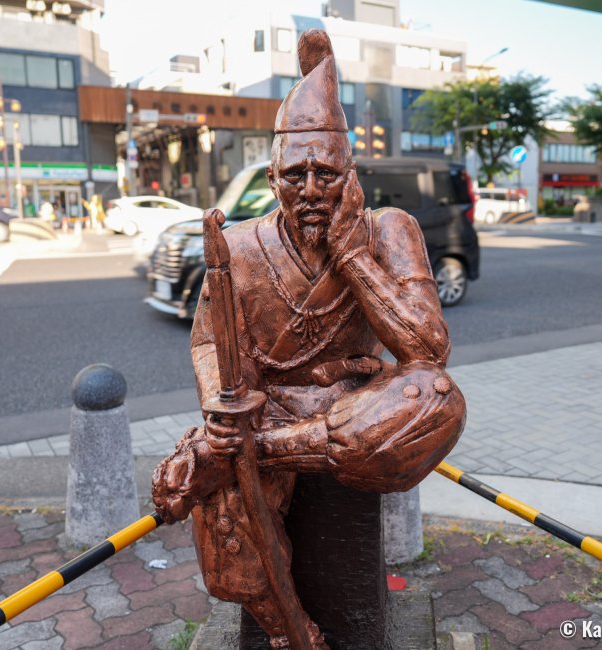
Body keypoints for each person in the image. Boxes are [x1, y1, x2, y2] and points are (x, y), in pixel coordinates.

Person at [152, 29, 465, 649]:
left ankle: (255, 452)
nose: (312, 189)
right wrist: (220, 407)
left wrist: (354, 259)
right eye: (296, 175)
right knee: (233, 521)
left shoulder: (388, 230)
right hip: (266, 410)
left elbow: (427, 349)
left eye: (328, 173)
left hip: (356, 413)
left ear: (352, 175)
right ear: (273, 178)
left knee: (437, 396)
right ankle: (285, 630)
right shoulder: (239, 248)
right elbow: (209, 343)